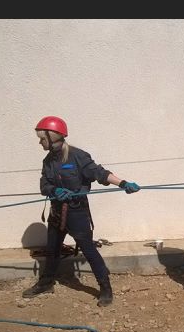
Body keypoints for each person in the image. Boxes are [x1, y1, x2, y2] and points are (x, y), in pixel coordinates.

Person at [22, 116, 141, 307]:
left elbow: (100, 173)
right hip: (56, 212)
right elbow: (44, 185)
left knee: (89, 251)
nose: (40, 142)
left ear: (52, 137)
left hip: (76, 213)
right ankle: (46, 283)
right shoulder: (48, 161)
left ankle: (105, 288)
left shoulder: (78, 156)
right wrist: (54, 190)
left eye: (42, 139)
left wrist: (123, 183)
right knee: (52, 250)